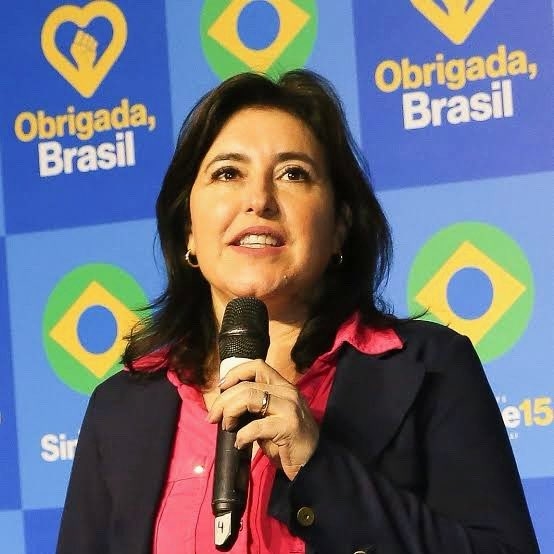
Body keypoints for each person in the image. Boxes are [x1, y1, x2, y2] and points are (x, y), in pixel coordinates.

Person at [56, 69, 539, 554]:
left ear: (339, 227)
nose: (258, 200)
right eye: (228, 173)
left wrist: (320, 467)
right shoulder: (121, 408)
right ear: (188, 231)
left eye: (293, 174)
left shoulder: (430, 369)